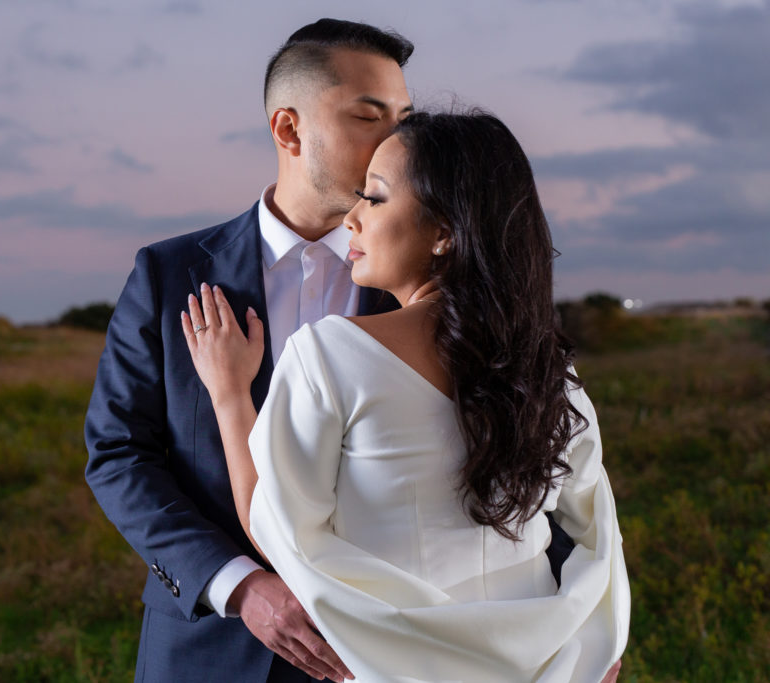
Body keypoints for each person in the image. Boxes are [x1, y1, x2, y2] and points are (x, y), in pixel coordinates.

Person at [85, 17, 615, 683]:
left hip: (412, 651)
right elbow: (117, 454)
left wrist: (572, 637)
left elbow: (536, 472)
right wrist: (238, 585)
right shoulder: (171, 275)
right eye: (370, 115)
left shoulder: (446, 285)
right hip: (212, 649)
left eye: (405, 116)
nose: (397, 137)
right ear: (288, 128)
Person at [180, 111, 631, 681]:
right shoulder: (547, 368)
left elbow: (278, 530)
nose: (352, 219)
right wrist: (597, 646)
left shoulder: (327, 354)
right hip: (550, 665)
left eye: (373, 197)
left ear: (445, 232)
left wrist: (228, 394)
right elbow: (599, 529)